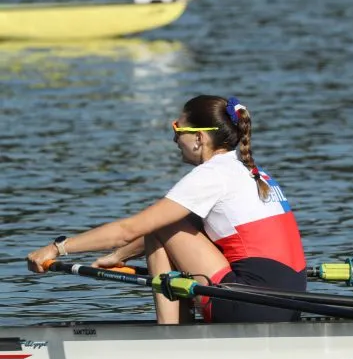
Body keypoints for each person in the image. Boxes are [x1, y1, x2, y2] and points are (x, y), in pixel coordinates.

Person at [27, 95, 307, 324]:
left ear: (199, 138)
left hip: (252, 306)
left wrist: (58, 248)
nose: (175, 140)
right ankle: (178, 327)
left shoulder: (212, 175)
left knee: (158, 222)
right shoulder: (250, 171)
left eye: (177, 130)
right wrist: (119, 256)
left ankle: (171, 331)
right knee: (168, 223)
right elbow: (176, 232)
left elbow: (129, 230)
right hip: (289, 303)